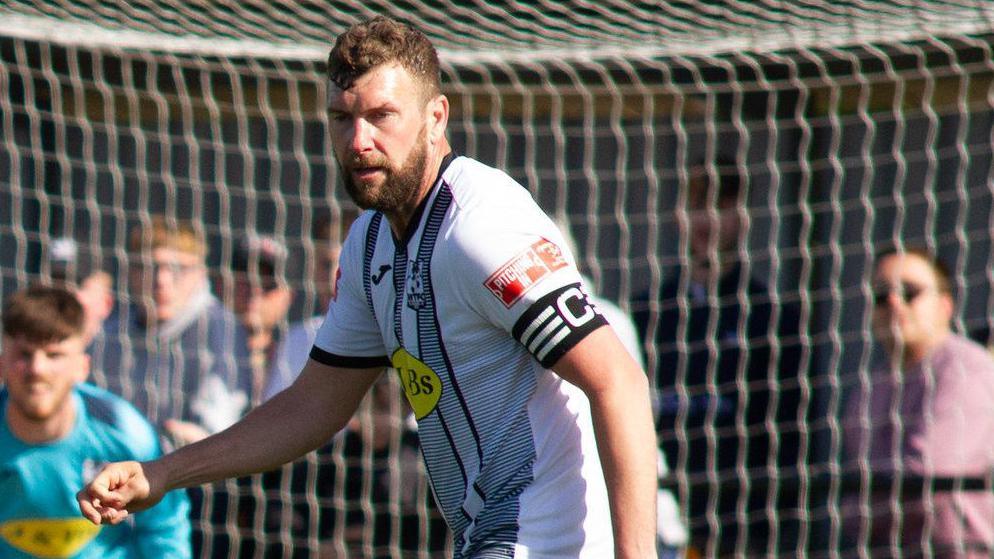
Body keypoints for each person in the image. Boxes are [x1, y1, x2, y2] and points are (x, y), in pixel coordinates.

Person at [78, 16, 657, 559]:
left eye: (381, 116)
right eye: (341, 117)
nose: (358, 140)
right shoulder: (370, 244)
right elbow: (312, 405)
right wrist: (162, 474)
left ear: (436, 118)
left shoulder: (482, 230)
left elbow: (619, 381)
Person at [631, 160, 803, 556]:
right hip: (662, 509)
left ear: (742, 217)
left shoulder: (771, 317)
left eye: (721, 204)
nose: (707, 218)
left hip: (743, 520)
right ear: (679, 215)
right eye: (696, 203)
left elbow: (788, 429)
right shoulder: (645, 313)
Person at [0, 284, 191, 558]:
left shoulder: (123, 430)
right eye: (24, 354)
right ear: (1, 363)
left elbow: (165, 527)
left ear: (82, 367)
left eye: (54, 355)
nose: (37, 369)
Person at [842, 246, 994, 557]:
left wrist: (865, 505)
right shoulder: (870, 389)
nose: (894, 303)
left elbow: (928, 475)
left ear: (944, 305)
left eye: (909, 292)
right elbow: (854, 504)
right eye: (882, 296)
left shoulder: (968, 369)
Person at [94, 216, 252, 446]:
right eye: (150, 267)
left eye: (179, 269)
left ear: (200, 273)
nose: (162, 280)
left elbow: (213, 438)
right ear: (130, 272)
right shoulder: (111, 331)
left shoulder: (222, 330)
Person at [226, 233, 293, 398]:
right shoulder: (200, 353)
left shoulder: (297, 364)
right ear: (224, 284)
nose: (255, 291)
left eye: (268, 284)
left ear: (288, 297)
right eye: (246, 280)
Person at [46, 236, 116, 347]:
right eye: (57, 284)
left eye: (78, 285)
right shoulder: (30, 350)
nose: (66, 294)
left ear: (106, 302)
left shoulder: (121, 353)